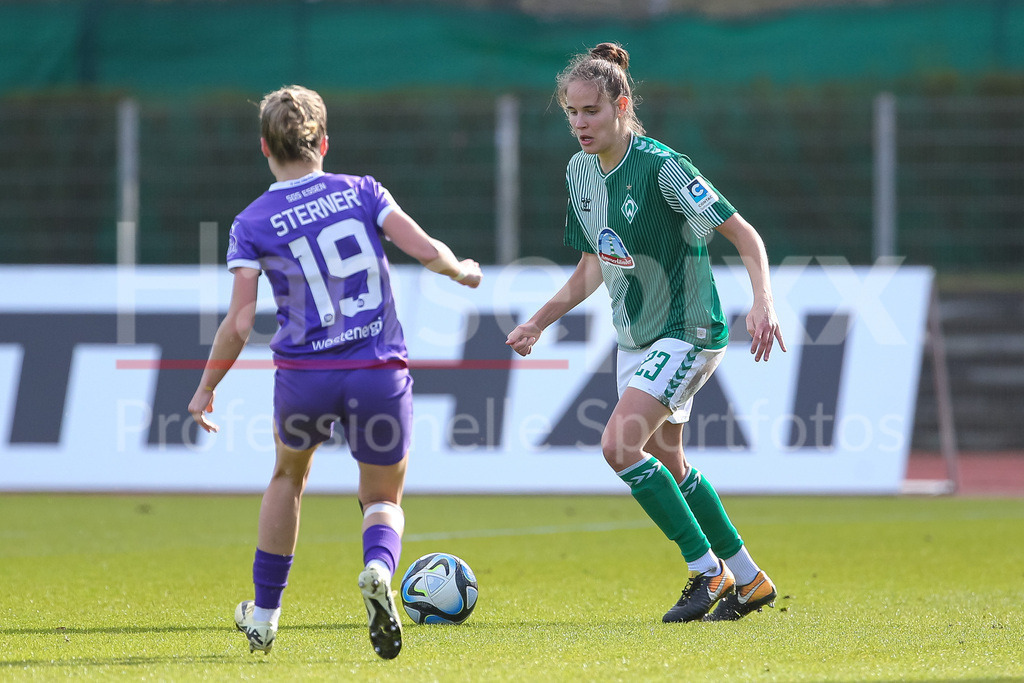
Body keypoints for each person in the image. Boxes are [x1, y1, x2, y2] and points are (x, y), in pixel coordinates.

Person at [187, 85, 482, 659]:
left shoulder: (251, 222)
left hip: (304, 378)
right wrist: (461, 270)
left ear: (265, 148)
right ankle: (377, 569)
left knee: (287, 479)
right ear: (324, 142)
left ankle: (266, 618)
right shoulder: (362, 191)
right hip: (377, 369)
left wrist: (205, 388)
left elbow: (239, 323)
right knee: (381, 496)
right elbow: (423, 248)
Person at [506, 43, 786, 624]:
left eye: (591, 111)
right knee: (670, 462)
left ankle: (708, 573)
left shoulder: (663, 167)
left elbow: (745, 235)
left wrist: (763, 301)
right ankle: (751, 579)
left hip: (688, 330)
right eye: (572, 113)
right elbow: (592, 268)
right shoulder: (579, 172)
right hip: (637, 338)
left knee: (618, 446)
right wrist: (538, 320)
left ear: (621, 105)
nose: (580, 123)